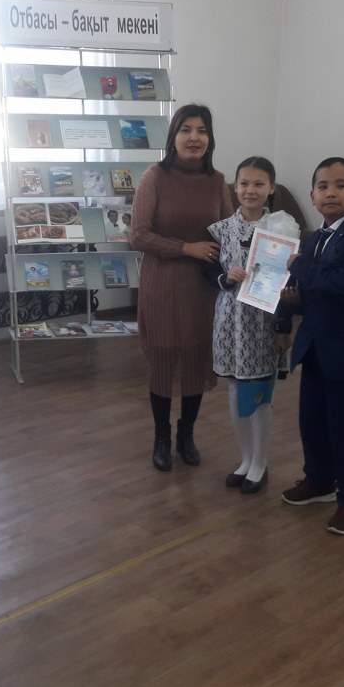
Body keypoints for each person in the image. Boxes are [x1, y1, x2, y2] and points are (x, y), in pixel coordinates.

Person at [275, 157, 344, 535]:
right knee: (312, 421)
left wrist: (300, 268)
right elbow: (313, 291)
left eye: (341, 185)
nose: (331, 193)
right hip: (315, 346)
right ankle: (320, 480)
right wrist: (292, 307)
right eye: (323, 186)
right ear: (312, 196)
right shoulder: (313, 239)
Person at [131, 104, 233, 472]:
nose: (194, 137)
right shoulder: (155, 177)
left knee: (195, 359)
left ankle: (186, 434)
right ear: (173, 137)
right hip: (161, 283)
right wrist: (185, 247)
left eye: (202, 130)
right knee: (162, 360)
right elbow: (139, 235)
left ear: (210, 138)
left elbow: (229, 232)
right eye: (186, 129)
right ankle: (161, 436)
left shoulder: (217, 181)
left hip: (202, 288)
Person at [205, 156, 300, 495]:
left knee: (259, 394)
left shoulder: (282, 229)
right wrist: (225, 276)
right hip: (229, 321)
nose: (250, 190)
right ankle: (245, 459)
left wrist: (284, 326)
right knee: (235, 388)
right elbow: (208, 271)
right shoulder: (220, 229)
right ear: (235, 187)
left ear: (271, 188)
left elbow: (289, 282)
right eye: (244, 183)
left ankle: (260, 462)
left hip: (262, 322)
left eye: (259, 184)